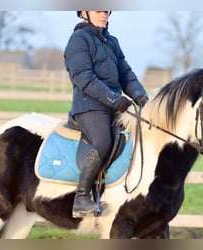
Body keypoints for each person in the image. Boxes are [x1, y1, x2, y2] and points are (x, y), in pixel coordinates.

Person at [64, 11, 148, 218]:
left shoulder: (112, 42)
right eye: (98, 10)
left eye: (106, 11)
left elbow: (126, 74)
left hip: (112, 107)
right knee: (103, 142)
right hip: (89, 106)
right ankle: (81, 198)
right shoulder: (78, 40)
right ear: (84, 13)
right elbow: (83, 77)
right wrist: (113, 99)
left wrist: (142, 98)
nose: (103, 15)